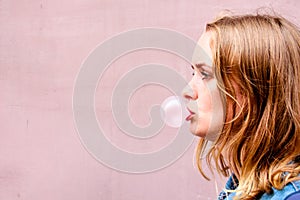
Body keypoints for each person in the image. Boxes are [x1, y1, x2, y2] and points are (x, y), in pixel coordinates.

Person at [182, 11, 300, 199]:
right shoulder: (240, 186)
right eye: (193, 73)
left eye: (205, 74)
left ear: (256, 89)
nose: (187, 91)